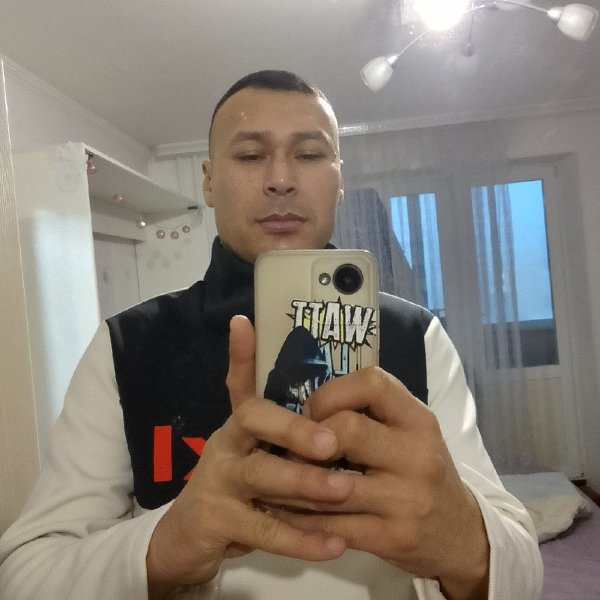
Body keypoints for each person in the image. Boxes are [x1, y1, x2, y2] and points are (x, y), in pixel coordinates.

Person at [0, 70, 542, 600]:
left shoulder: (416, 335)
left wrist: (466, 545)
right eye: (250, 155)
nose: (280, 178)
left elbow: (519, 569)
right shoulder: (127, 345)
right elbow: (24, 578)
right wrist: (166, 544)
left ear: (339, 179)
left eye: (309, 154)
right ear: (208, 182)